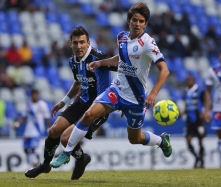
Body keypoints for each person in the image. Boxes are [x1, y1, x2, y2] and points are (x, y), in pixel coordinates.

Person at [50, 3, 171, 169]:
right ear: (129, 20)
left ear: (145, 24)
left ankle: (161, 140)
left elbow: (164, 71)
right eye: (134, 20)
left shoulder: (148, 43)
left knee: (135, 139)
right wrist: (100, 63)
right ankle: (67, 152)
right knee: (89, 114)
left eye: (141, 21)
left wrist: (153, 93)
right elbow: (121, 58)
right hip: (117, 90)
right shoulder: (121, 37)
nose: (137, 24)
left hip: (135, 98)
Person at [25, 26, 117, 179]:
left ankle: (81, 160)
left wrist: (121, 101)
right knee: (53, 131)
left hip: (99, 107)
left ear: (88, 43)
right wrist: (63, 102)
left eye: (82, 42)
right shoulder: (73, 61)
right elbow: (77, 83)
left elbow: (123, 70)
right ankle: (45, 165)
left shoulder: (99, 58)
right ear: (70, 44)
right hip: (81, 102)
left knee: (65, 138)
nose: (79, 46)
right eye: (75, 43)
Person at [13, 89, 51, 167]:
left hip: (37, 130)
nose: (35, 96)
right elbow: (23, 117)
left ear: (38, 95)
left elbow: (47, 117)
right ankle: (33, 161)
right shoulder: (28, 105)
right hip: (28, 130)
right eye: (33, 95)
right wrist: (17, 124)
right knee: (25, 148)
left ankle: (34, 163)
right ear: (31, 95)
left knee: (33, 147)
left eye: (36, 94)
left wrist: (49, 128)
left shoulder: (42, 104)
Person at [180, 75, 205, 168]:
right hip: (189, 120)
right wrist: (183, 112)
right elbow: (187, 105)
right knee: (188, 141)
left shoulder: (199, 91)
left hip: (199, 119)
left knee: (200, 141)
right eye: (187, 80)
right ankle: (197, 157)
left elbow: (206, 101)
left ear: (194, 81)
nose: (188, 82)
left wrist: (205, 112)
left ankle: (202, 162)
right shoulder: (185, 92)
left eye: (189, 80)